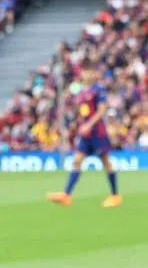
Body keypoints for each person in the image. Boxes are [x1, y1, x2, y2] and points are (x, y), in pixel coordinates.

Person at [46, 67, 122, 207]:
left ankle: (115, 195)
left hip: (97, 132)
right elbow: (82, 111)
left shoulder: (98, 90)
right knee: (77, 161)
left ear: (93, 74)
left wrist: (89, 124)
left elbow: (102, 109)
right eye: (85, 71)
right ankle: (66, 195)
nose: (86, 74)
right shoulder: (82, 91)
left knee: (106, 162)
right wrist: (78, 124)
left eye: (89, 71)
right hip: (85, 134)